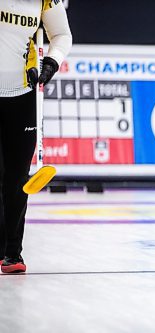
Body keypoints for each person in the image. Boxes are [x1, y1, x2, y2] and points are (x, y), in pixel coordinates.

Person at [0, 0, 72, 273]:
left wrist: (51, 63)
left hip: (22, 94)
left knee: (18, 179)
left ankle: (12, 253)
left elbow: (62, 35)